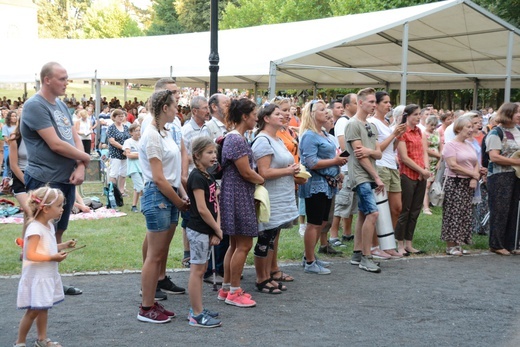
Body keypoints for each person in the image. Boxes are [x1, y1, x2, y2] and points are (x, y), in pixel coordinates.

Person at [20, 62, 90, 296]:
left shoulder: (60, 104)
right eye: (62, 78)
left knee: (57, 231)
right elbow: (56, 144)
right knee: (37, 233)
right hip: (44, 180)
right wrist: (87, 158)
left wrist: (80, 165)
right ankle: (31, 286)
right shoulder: (34, 106)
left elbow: (72, 136)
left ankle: (52, 281)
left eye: (66, 78)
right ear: (47, 80)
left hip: (65, 180)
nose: (66, 82)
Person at [137, 89, 189, 323]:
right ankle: (146, 307)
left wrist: (180, 194)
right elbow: (158, 177)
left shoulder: (164, 132)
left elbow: (172, 173)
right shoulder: (152, 135)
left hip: (168, 195)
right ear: (164, 108)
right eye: (175, 105)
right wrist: (178, 200)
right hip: (158, 195)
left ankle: (151, 302)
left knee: (159, 254)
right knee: (155, 256)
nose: (178, 109)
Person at [14, 187, 77, 347]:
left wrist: (62, 245)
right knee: (33, 311)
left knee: (43, 308)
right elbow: (30, 255)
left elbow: (47, 246)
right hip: (37, 277)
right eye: (59, 206)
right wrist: (52, 257)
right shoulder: (34, 228)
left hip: (45, 276)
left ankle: (42, 339)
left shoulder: (48, 225)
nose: (62, 209)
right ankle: (19, 342)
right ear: (46, 208)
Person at [218, 98, 264, 307]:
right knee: (244, 244)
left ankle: (227, 288)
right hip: (238, 195)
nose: (257, 118)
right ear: (244, 116)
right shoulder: (236, 139)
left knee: (235, 244)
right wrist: (261, 179)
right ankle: (234, 292)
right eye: (254, 114)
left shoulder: (235, 138)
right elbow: (246, 171)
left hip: (233, 194)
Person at [252, 104, 300, 293]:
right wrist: (289, 171)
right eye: (278, 114)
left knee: (272, 237)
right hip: (270, 197)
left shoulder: (277, 139)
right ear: (266, 118)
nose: (283, 116)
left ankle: (268, 274)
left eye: (284, 113)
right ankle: (261, 279)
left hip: (281, 195)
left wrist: (296, 172)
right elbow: (263, 172)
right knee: (265, 237)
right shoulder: (263, 140)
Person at [299, 100, 347, 275]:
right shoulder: (309, 135)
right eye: (322, 109)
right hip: (315, 184)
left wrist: (337, 169)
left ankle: (310, 256)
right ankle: (310, 261)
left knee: (322, 222)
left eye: (327, 108)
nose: (327, 112)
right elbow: (310, 162)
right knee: (314, 223)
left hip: (328, 183)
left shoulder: (324, 133)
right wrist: (335, 162)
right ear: (311, 114)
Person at [345, 88, 385, 273]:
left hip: (369, 174)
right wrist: (376, 177)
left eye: (374, 102)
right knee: (372, 213)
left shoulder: (372, 125)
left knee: (363, 213)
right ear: (360, 103)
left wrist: (370, 152)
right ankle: (366, 257)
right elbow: (359, 155)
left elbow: (377, 153)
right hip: (361, 176)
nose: (373, 105)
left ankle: (357, 253)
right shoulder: (353, 124)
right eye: (370, 102)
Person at [186, 136, 222, 328]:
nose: (213, 156)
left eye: (214, 152)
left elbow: (214, 203)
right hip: (198, 229)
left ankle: (197, 308)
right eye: (209, 152)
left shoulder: (208, 175)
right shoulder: (196, 177)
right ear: (197, 155)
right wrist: (217, 229)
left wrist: (217, 229)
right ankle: (196, 314)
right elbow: (201, 208)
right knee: (197, 271)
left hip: (206, 229)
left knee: (200, 270)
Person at [368, 94, 407, 258]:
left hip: (392, 166)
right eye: (385, 102)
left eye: (389, 102)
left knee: (396, 208)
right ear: (376, 105)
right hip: (381, 166)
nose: (389, 105)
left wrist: (398, 135)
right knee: (380, 209)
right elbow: (378, 150)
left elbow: (392, 147)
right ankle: (375, 246)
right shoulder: (372, 123)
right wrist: (393, 134)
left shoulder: (387, 123)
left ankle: (388, 244)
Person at [395, 104, 430, 256]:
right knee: (405, 210)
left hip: (421, 174)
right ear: (407, 115)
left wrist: (426, 169)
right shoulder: (403, 132)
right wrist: (421, 170)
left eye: (419, 114)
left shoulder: (420, 131)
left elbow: (424, 152)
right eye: (415, 114)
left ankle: (409, 242)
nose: (418, 117)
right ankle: (399, 243)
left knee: (415, 210)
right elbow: (404, 157)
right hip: (407, 174)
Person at [441, 115, 480, 256]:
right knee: (453, 213)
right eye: (468, 127)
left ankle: (459, 243)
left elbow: (476, 163)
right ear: (459, 128)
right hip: (455, 182)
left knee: (464, 214)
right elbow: (452, 165)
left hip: (467, 182)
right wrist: (472, 174)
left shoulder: (469, 145)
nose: (471, 129)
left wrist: (474, 176)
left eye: (472, 127)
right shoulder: (450, 145)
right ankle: (450, 245)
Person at [202, 93, 230, 285]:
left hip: (227, 180)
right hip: (215, 179)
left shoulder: (230, 126)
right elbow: (204, 157)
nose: (229, 106)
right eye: (226, 103)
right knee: (217, 224)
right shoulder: (209, 128)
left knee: (227, 225)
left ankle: (224, 266)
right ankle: (214, 267)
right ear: (214, 107)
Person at [485, 102, 520, 255]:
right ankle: (497, 244)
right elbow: (494, 157)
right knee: (500, 210)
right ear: (508, 113)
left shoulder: (518, 130)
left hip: (516, 175)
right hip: (500, 176)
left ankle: (512, 243)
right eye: (518, 112)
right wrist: (516, 162)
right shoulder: (495, 133)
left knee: (515, 210)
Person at [328, 93, 359, 247]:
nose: (359, 104)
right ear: (348, 106)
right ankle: (333, 235)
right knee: (341, 203)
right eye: (356, 102)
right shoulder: (343, 121)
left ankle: (347, 233)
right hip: (346, 168)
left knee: (351, 203)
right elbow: (343, 146)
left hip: (353, 167)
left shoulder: (353, 121)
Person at [107, 109, 130, 194]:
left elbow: (129, 139)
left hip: (124, 154)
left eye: (122, 116)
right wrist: (123, 147)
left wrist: (127, 149)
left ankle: (121, 191)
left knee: (123, 173)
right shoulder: (111, 128)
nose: (121, 118)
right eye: (119, 116)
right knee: (114, 173)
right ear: (114, 117)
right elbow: (112, 141)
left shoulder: (126, 127)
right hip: (115, 153)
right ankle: (112, 191)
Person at [422, 115, 442, 215]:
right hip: (428, 161)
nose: (433, 127)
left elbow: (441, 147)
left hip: (436, 162)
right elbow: (425, 149)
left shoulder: (437, 133)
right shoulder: (424, 134)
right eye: (431, 125)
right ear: (427, 123)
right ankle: (425, 207)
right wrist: (439, 156)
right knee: (427, 184)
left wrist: (440, 160)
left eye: (435, 125)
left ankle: (429, 202)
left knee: (433, 183)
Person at [8, 121, 29, 211]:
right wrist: (27, 182)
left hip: (38, 175)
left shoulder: (41, 138)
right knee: (32, 212)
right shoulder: (15, 139)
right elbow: (13, 165)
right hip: (21, 177)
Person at [123, 123, 143, 213]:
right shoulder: (128, 142)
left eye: (139, 130)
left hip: (142, 167)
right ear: (131, 132)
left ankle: (134, 205)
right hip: (133, 168)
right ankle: (144, 206)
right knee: (141, 187)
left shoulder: (142, 141)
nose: (138, 132)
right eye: (136, 131)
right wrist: (140, 155)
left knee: (137, 187)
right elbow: (128, 154)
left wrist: (137, 154)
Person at [2, 110, 18, 178]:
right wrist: (12, 143)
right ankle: (5, 182)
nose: (14, 118)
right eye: (12, 116)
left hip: (17, 148)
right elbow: (6, 139)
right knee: (7, 165)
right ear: (9, 117)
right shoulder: (5, 127)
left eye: (15, 116)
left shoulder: (18, 126)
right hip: (7, 148)